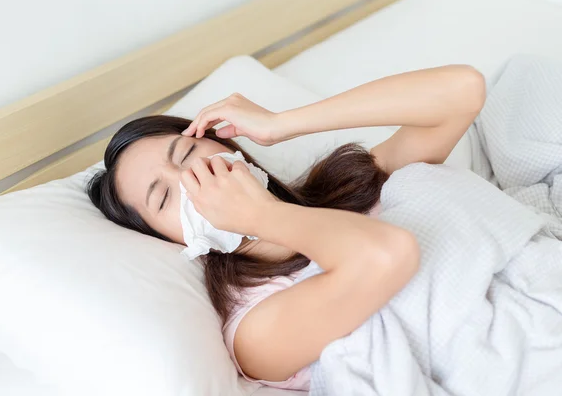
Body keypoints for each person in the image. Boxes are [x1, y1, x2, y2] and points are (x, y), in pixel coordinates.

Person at [87, 65, 486, 391]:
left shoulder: (346, 187)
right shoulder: (252, 332)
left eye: (189, 152)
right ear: (171, 241)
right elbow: (386, 255)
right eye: (164, 198)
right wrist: (260, 217)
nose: (193, 178)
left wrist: (282, 124)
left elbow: (463, 91)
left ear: (226, 147)